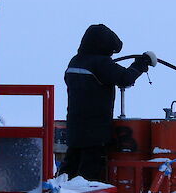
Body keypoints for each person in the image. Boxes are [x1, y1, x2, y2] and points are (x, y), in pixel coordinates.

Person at [59, 24, 156, 182]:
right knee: (89, 176)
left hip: (75, 129)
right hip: (95, 132)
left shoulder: (75, 62)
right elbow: (125, 78)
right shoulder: (100, 63)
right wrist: (140, 65)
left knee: (69, 169)